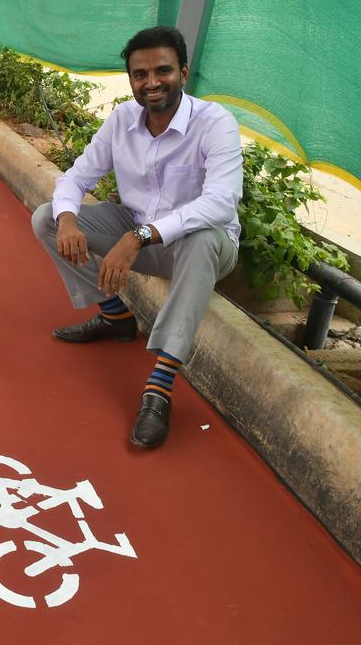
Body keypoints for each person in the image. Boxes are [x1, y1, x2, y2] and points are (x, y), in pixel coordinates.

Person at [31, 26, 242, 449]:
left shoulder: (214, 123)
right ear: (130, 79)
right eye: (139, 74)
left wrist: (140, 236)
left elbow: (221, 202)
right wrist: (69, 220)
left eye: (162, 71)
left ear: (183, 72)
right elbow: (76, 177)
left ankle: (159, 387)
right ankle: (115, 317)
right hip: (135, 230)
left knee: (203, 238)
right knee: (46, 219)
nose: (151, 83)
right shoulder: (123, 120)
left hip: (195, 246)